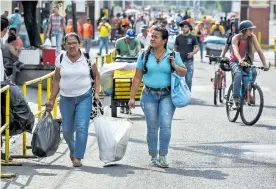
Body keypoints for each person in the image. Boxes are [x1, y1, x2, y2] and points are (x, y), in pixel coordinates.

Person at [128, 26, 187, 168]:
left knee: (165, 125)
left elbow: (183, 72)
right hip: (149, 95)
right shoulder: (143, 54)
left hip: (167, 95)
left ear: (164, 40)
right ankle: (153, 155)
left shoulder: (173, 54)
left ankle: (163, 155)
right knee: (152, 127)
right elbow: (137, 78)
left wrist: (174, 64)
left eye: (156, 37)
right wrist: (131, 97)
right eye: (151, 36)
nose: (152, 39)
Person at [45, 33, 100, 167]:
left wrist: (97, 93)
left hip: (84, 97)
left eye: (74, 43)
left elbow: (97, 76)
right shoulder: (61, 58)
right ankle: (73, 148)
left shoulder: (87, 57)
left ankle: (78, 157)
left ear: (79, 43)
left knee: (82, 127)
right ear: (64, 45)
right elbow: (56, 80)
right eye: (68, 43)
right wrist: (51, 100)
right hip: (66, 98)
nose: (71, 46)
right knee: (67, 129)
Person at [230, 20, 269, 110]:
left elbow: (259, 50)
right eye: (250, 30)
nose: (252, 31)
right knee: (238, 75)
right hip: (235, 61)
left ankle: (246, 93)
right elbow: (235, 50)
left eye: (252, 29)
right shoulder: (236, 38)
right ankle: (235, 99)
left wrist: (265, 64)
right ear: (243, 30)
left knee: (254, 72)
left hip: (247, 61)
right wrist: (240, 60)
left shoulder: (252, 37)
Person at [115, 29, 141, 114]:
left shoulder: (136, 41)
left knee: (130, 83)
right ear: (125, 37)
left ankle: (128, 105)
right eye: (128, 38)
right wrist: (118, 57)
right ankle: (122, 103)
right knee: (121, 83)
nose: (130, 40)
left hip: (132, 64)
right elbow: (116, 53)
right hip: (121, 64)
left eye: (131, 39)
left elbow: (138, 50)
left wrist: (138, 54)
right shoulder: (119, 42)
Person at [174, 20, 199, 91]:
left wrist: (192, 53)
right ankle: (178, 95)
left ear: (189, 28)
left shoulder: (193, 37)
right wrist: (175, 57)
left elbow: (197, 48)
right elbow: (175, 48)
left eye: (185, 27)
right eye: (182, 27)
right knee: (177, 80)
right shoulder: (178, 37)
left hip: (189, 62)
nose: (183, 28)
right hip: (179, 63)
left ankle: (188, 95)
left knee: (188, 81)